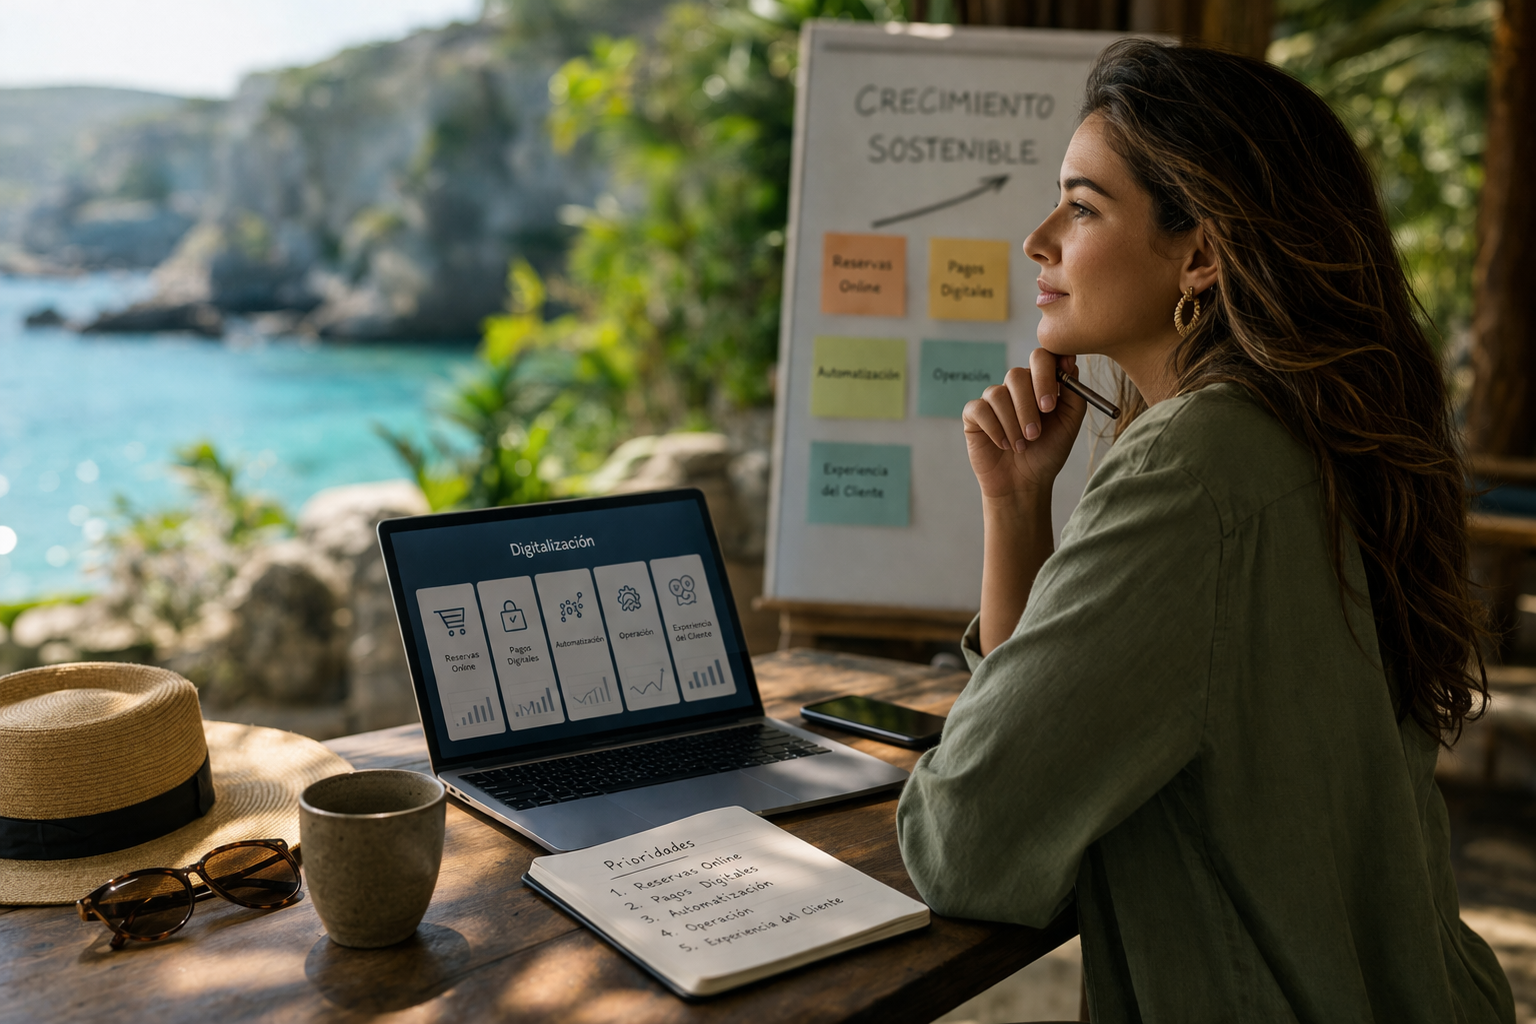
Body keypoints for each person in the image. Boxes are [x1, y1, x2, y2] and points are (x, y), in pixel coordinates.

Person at [895, 39, 1515, 1022]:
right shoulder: (1314, 431)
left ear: (1201, 255)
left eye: (1083, 207)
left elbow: (964, 841)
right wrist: (1016, 507)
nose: (1039, 241)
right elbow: (1031, 760)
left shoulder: (1192, 468)